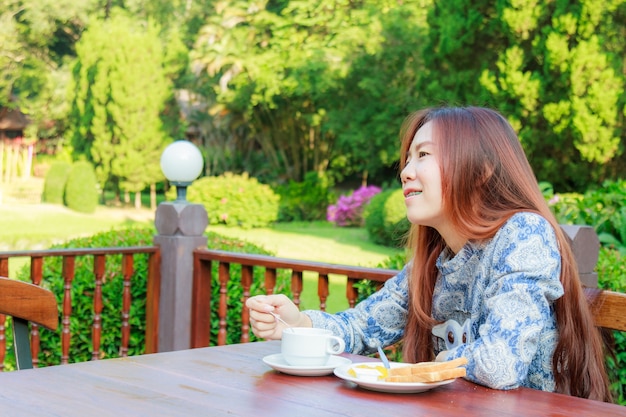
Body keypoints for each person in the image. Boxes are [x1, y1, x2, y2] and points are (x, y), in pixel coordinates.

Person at [246, 106, 611, 402]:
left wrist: (426, 367)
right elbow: (361, 327)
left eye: (423, 156)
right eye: (407, 159)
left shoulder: (524, 234)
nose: (406, 172)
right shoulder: (435, 262)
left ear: (481, 169)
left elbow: (501, 362)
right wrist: (296, 325)